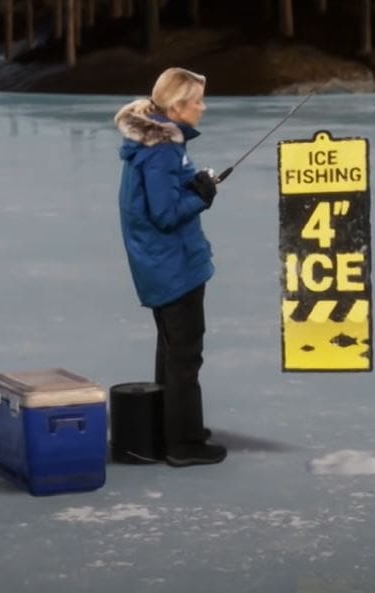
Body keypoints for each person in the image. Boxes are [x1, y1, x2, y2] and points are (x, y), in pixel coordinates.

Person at [113, 67, 225, 467]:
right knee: (184, 356)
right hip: (174, 267)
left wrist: (192, 184)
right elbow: (164, 214)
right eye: (196, 101)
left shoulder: (158, 144)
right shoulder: (161, 151)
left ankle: (172, 428)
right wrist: (202, 196)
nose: (202, 107)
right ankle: (183, 444)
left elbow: (157, 199)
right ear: (177, 107)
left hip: (165, 264)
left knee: (172, 350)